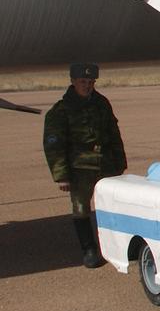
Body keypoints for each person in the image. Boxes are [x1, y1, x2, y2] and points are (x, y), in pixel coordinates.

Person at [43, 63, 126, 268]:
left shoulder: (102, 103)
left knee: (110, 206)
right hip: (80, 169)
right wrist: (61, 175)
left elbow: (114, 134)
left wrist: (120, 163)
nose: (87, 86)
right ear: (72, 81)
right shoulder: (61, 110)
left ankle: (113, 247)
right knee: (81, 209)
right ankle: (89, 249)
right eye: (83, 82)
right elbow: (54, 145)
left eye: (90, 82)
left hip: (106, 165)